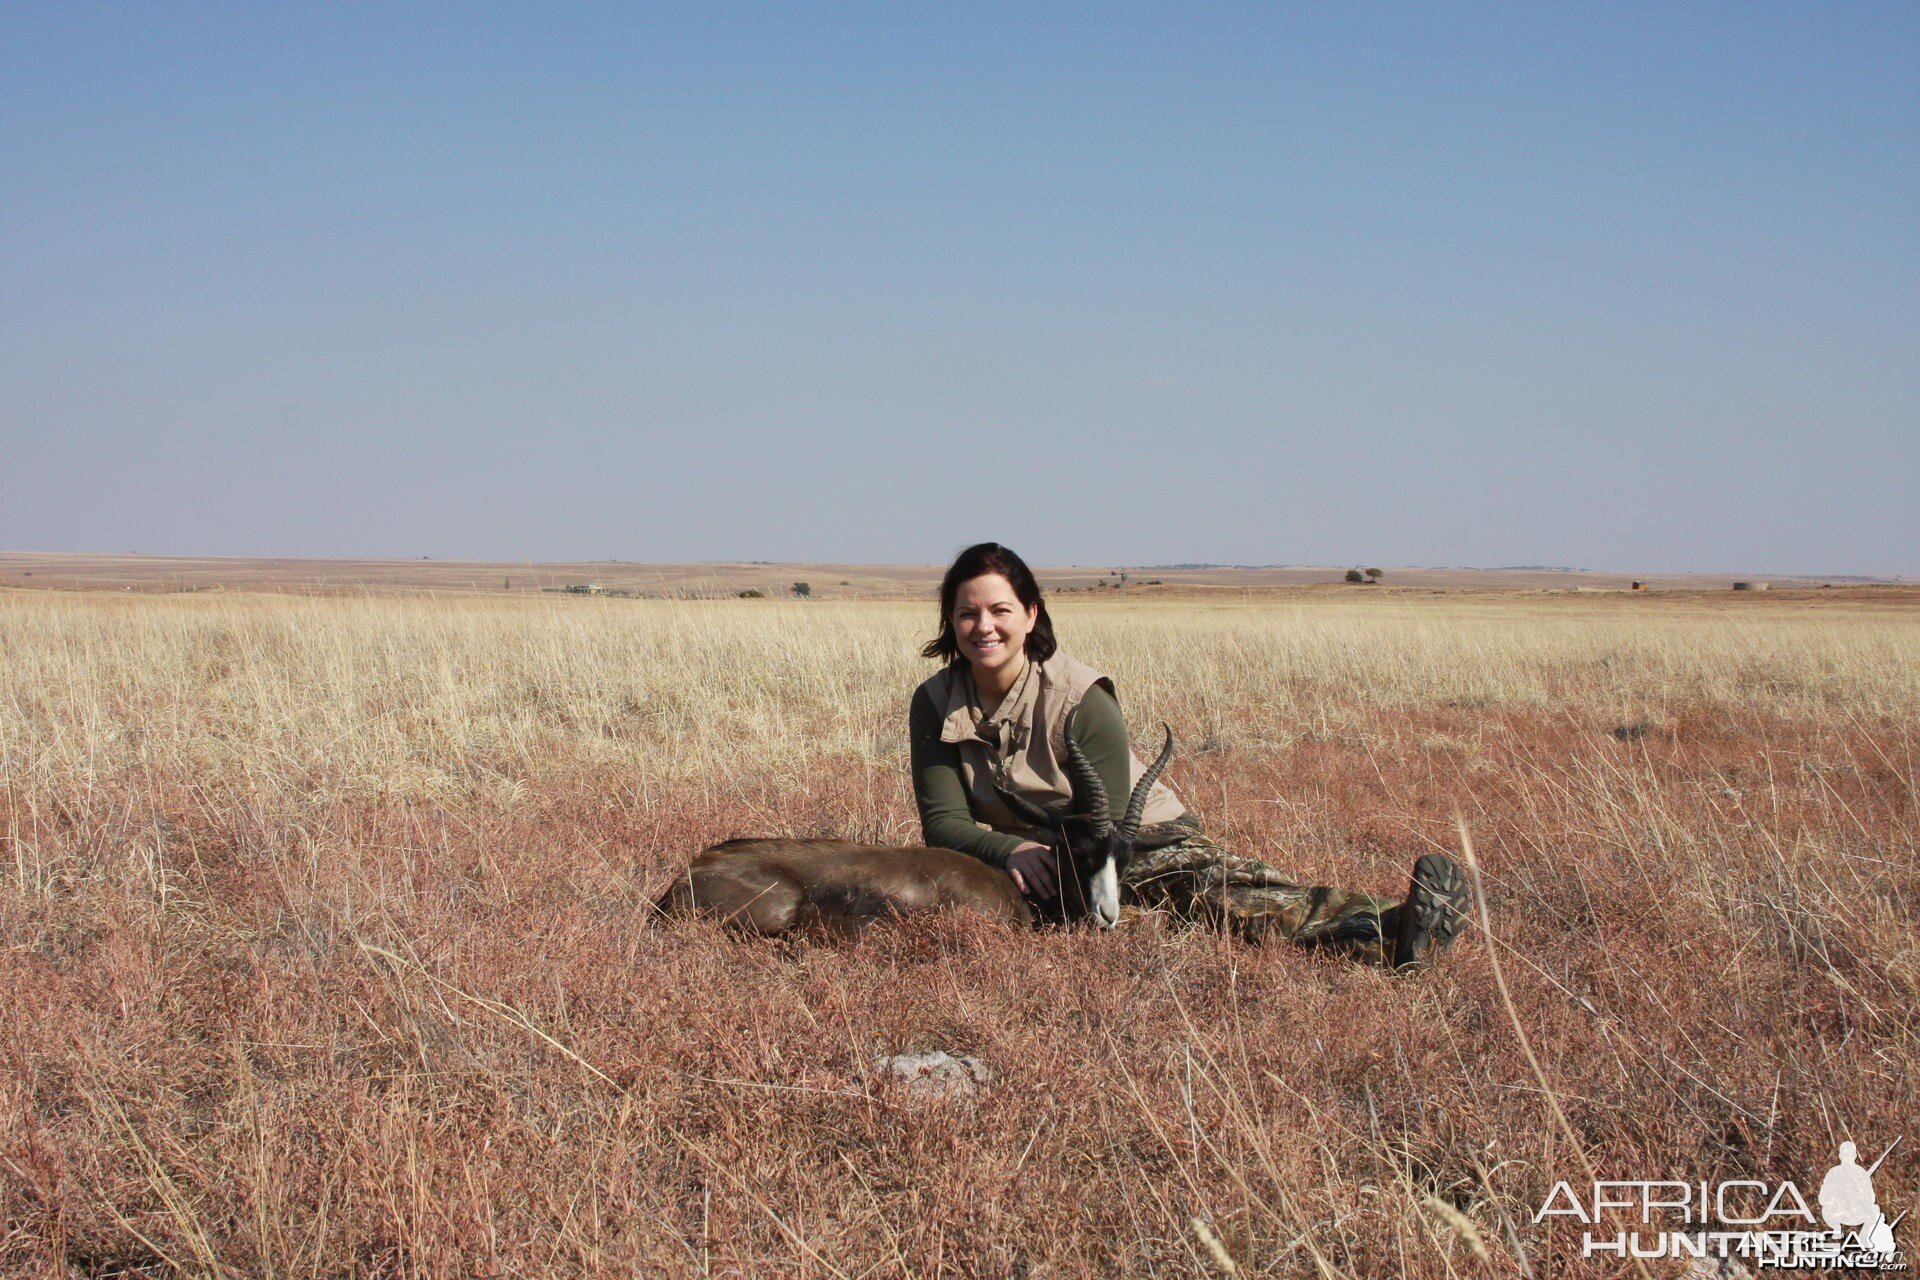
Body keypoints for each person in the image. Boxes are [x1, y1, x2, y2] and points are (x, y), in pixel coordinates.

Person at [908, 542, 1471, 968]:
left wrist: (1054, 863)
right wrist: (1011, 849)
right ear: (950, 621)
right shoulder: (935, 702)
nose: (984, 626)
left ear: (1031, 615)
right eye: (967, 614)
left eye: (1000, 611)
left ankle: (1392, 927)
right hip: (1037, 851)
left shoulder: (1081, 698)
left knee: (1215, 899)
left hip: (1134, 837)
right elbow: (944, 823)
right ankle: (1386, 936)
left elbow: (1111, 834)